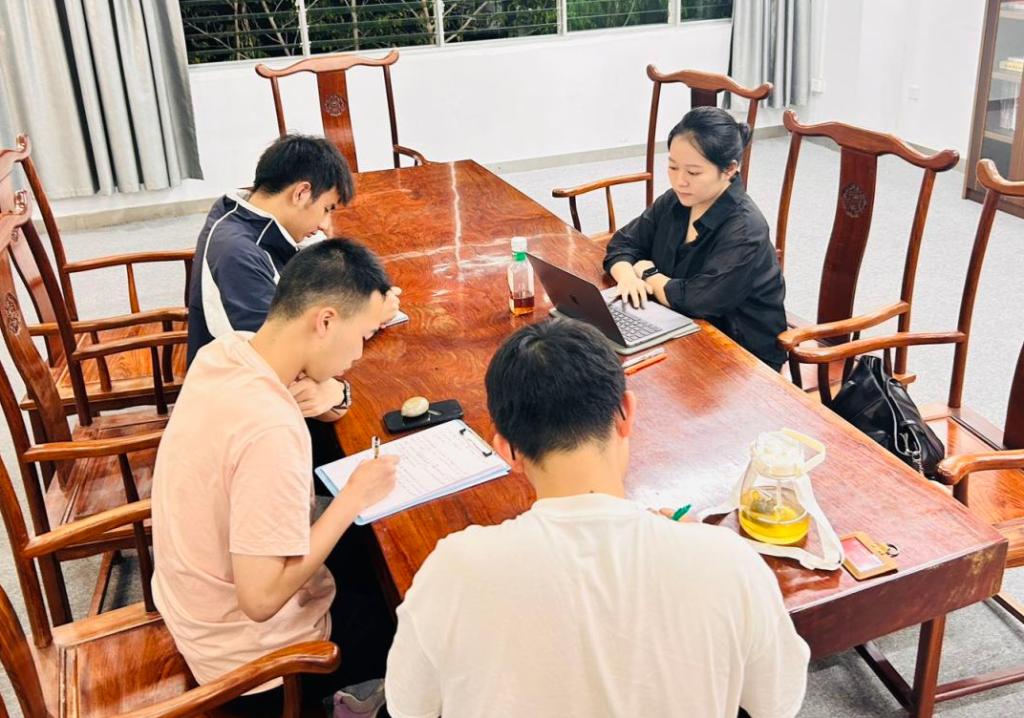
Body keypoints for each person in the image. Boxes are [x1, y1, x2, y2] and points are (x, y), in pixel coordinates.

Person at [385, 319, 810, 717]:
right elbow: (777, 700)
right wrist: (698, 544)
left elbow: (408, 706)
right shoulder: (728, 563)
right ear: (626, 412)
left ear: (506, 450)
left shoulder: (453, 571)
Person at [152, 239, 400, 709]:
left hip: (193, 603)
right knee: (409, 614)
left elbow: (322, 397)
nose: (359, 353)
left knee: (360, 549)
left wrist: (333, 391)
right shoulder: (271, 429)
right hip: (253, 665)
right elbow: (261, 600)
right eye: (363, 335)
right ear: (325, 321)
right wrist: (353, 496)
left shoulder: (228, 351)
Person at [186, 133, 401, 467]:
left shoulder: (243, 214)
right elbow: (293, 363)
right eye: (326, 209)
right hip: (245, 423)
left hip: (254, 398)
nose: (325, 225)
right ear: (301, 193)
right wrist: (366, 317)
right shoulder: (236, 254)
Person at [603, 106, 787, 370]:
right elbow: (623, 244)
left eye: (693, 172)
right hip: (677, 325)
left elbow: (697, 301)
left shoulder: (745, 229)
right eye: (673, 167)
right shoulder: (675, 201)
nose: (680, 181)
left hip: (738, 352)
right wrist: (627, 277)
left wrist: (647, 272)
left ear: (729, 169)